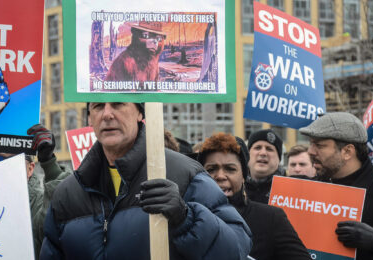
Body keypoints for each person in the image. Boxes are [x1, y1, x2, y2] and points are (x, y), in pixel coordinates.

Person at [40, 102, 252, 259]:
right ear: (89, 118)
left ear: (141, 112)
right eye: (97, 106)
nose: (107, 114)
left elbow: (237, 249)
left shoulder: (184, 173)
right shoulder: (67, 193)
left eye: (117, 104)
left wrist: (186, 218)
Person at [198, 132, 311, 260]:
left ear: (243, 176)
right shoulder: (188, 216)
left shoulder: (271, 219)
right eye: (211, 169)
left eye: (230, 169)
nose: (220, 176)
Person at [300, 112, 373, 260]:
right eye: (310, 144)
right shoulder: (306, 189)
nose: (310, 151)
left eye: (319, 145)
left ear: (347, 152)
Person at [0, 124, 71, 260]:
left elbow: (56, 220)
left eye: (14, 161)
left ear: (30, 169)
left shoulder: (39, 202)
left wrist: (49, 163)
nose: (4, 167)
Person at [245, 129, 285, 203]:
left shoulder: (290, 190)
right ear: (247, 155)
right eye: (257, 148)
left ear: (279, 159)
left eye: (269, 149)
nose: (263, 153)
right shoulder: (235, 188)